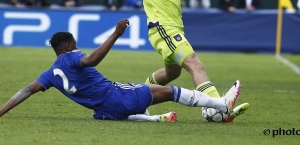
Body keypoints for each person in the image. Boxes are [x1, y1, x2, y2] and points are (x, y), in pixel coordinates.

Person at [81, 0, 248, 122]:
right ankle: (217, 108)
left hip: (175, 28)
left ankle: (139, 98)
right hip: (161, 28)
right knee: (195, 63)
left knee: (171, 73)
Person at [0, 19, 236, 122]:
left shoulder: (50, 74)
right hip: (115, 95)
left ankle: (156, 119)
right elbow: (91, 60)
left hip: (103, 109)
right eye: (76, 44)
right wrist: (115, 35)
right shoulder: (73, 56)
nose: (78, 47)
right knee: (170, 91)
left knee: (129, 112)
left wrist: (1, 111)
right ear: (69, 45)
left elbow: (26, 90)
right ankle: (220, 105)